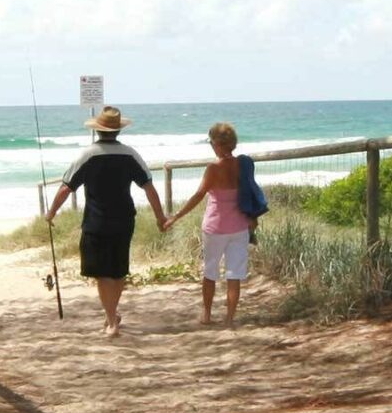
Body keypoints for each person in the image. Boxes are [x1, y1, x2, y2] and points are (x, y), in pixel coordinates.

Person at [48, 105, 171, 338]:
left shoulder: (87, 155)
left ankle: (112, 320)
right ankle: (111, 316)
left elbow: (66, 188)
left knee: (103, 273)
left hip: (96, 220)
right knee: (118, 270)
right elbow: (149, 188)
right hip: (124, 219)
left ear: (98, 131)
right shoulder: (130, 154)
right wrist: (160, 217)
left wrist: (51, 212)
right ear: (118, 131)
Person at [164, 122, 251, 326]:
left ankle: (207, 314)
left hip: (215, 227)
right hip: (239, 226)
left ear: (218, 145)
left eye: (211, 142)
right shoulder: (243, 165)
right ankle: (230, 318)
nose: (211, 145)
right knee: (234, 274)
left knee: (210, 271)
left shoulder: (213, 168)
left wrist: (176, 216)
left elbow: (198, 195)